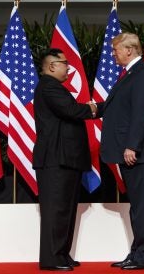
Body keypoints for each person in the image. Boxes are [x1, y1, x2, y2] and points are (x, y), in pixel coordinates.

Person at [96, 32, 144, 270]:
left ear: (129, 50)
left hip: (136, 153)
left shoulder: (142, 74)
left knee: (140, 207)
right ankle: (138, 253)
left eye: (116, 50)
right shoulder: (130, 74)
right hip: (129, 151)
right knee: (136, 206)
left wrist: (132, 145)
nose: (113, 54)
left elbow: (141, 114)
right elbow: (117, 108)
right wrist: (93, 109)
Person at [32, 48, 97, 271]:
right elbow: (71, 110)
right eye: (64, 63)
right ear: (52, 66)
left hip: (65, 158)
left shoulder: (54, 87)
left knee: (66, 210)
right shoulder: (49, 86)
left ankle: (61, 255)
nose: (68, 67)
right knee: (56, 210)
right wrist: (95, 108)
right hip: (55, 159)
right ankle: (51, 259)